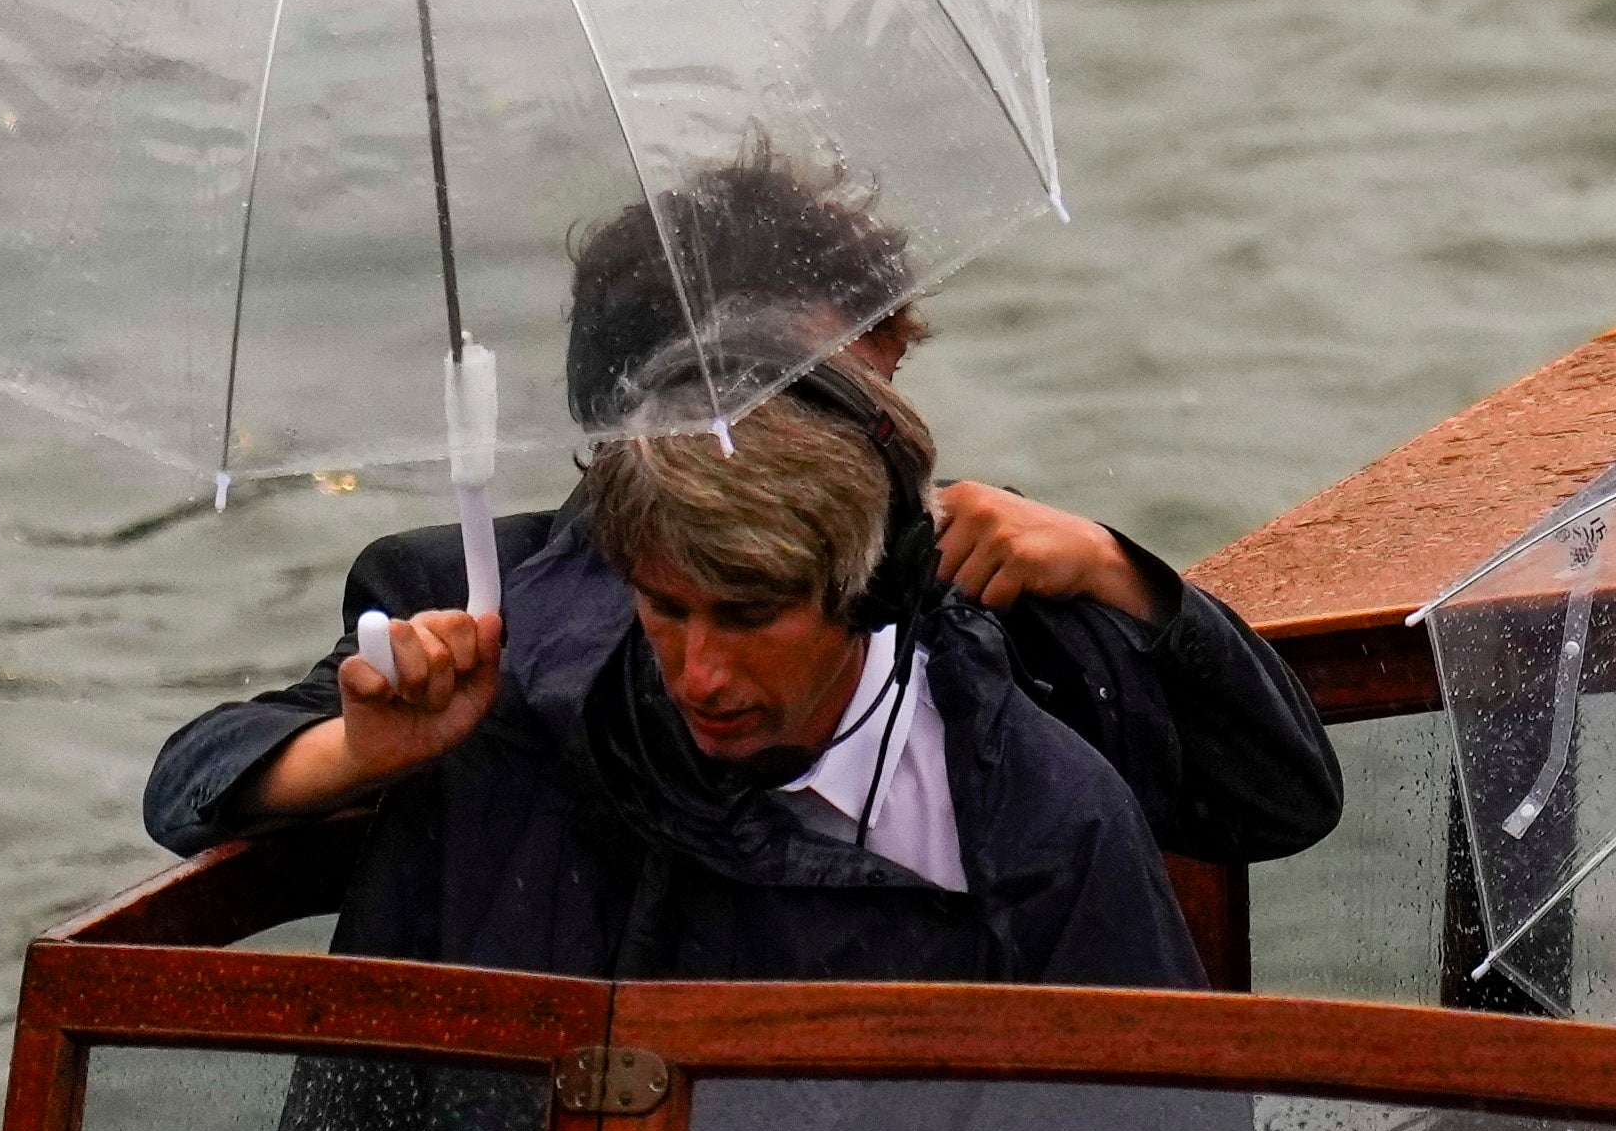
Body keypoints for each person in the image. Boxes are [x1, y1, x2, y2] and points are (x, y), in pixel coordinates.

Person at [191, 336, 1289, 1131]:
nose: (700, 672)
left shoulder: (1043, 824)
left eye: (750, 617)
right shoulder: (527, 716)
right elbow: (361, 1126)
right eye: (665, 610)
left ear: (869, 590)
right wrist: (367, 753)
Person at [141, 145, 1341, 886]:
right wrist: (362, 752)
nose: (873, 436)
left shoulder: (967, 591)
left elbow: (1280, 798)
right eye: (815, 394)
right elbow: (189, 780)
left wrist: (1120, 577)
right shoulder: (467, 595)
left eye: (878, 388)